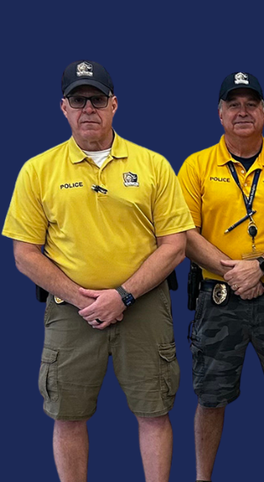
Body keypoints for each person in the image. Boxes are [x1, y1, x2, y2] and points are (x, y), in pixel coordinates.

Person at [2, 60, 194, 482]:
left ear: (114, 105)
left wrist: (123, 295)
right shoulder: (38, 171)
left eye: (97, 99)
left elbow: (175, 245)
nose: (88, 107)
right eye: (78, 99)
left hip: (143, 308)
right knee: (68, 415)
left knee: (154, 411)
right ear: (63, 108)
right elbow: (24, 254)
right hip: (72, 313)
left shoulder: (153, 166)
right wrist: (81, 297)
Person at [178, 72, 264, 482]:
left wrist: (260, 267)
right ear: (220, 113)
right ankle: (203, 478)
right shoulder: (196, 166)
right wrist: (232, 271)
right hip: (218, 300)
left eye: (250, 104)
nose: (242, 112)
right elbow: (184, 233)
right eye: (233, 104)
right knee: (210, 396)